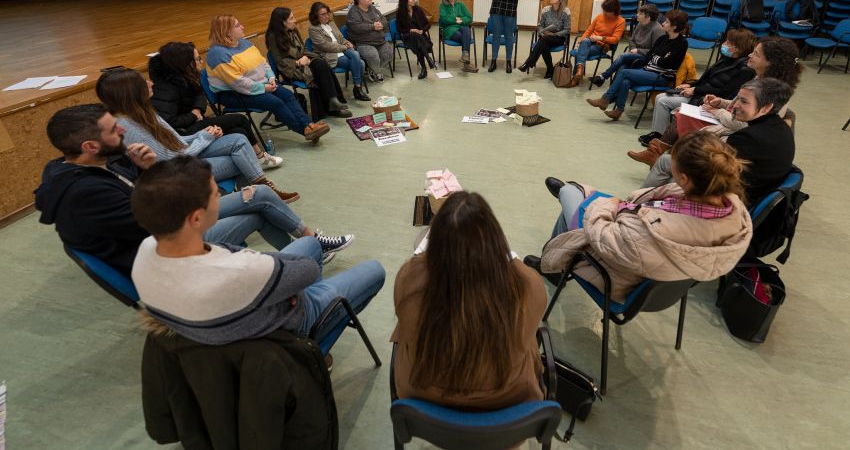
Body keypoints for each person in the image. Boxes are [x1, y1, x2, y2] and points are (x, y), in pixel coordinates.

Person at [34, 104, 353, 276]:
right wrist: (197, 197)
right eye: (113, 129)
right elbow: (155, 224)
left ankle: (310, 257)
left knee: (260, 196)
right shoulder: (85, 193)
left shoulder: (88, 167)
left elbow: (142, 207)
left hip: (162, 235)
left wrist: (145, 173)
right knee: (258, 200)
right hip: (166, 256)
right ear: (90, 146)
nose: (122, 129)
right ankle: (309, 258)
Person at [130, 155, 385, 349]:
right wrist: (284, 284)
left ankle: (300, 278)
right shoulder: (242, 269)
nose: (220, 192)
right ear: (196, 218)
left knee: (311, 245)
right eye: (214, 192)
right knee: (374, 270)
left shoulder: (146, 251)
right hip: (283, 331)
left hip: (230, 329)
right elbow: (306, 272)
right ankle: (312, 347)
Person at [531, 131, 753, 303]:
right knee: (577, 194)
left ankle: (552, 265)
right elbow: (648, 201)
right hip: (658, 267)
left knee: (570, 193)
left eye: (671, 162)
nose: (667, 163)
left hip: (620, 275)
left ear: (684, 179)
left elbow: (602, 234)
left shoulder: (656, 230)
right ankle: (554, 254)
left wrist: (608, 206)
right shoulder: (729, 208)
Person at [392, 191, 547, 409]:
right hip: (508, 405)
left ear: (435, 246)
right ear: (495, 241)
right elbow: (514, 266)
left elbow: (419, 264)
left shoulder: (407, 280)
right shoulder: (530, 286)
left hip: (424, 405)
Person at [96, 67, 299, 203]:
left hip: (184, 156)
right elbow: (168, 159)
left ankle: (253, 195)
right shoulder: (126, 124)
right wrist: (205, 138)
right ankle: (256, 196)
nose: (150, 83)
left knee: (238, 139)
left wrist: (202, 133)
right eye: (144, 82)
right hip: (175, 172)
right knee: (240, 159)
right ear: (131, 91)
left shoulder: (144, 110)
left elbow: (176, 140)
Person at [632, 36, 803, 165]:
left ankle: (661, 155)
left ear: (771, 62)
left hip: (736, 133)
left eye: (756, 54)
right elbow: (739, 105)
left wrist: (717, 111)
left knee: (681, 115)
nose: (750, 55)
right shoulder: (760, 79)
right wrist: (720, 102)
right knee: (681, 113)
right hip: (730, 120)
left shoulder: (771, 90)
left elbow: (744, 125)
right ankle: (657, 152)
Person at [642, 78, 795, 205]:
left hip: (733, 200)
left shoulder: (746, 138)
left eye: (743, 101)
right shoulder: (783, 128)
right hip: (755, 193)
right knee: (668, 164)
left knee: (667, 166)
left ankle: (636, 207)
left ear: (766, 107)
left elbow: (716, 178)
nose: (735, 106)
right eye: (737, 100)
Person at [149, 41, 283, 169]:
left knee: (239, 132)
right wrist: (193, 116)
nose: (200, 62)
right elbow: (168, 123)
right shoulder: (165, 88)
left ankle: (254, 161)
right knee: (240, 119)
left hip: (194, 121)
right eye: (197, 59)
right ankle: (260, 158)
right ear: (185, 63)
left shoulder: (185, 76)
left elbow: (200, 95)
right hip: (184, 132)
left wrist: (196, 109)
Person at [205, 14, 329, 143]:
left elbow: (263, 63)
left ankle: (309, 125)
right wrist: (263, 88)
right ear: (226, 32)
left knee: (287, 95)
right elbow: (238, 82)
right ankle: (305, 130)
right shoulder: (217, 54)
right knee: (275, 102)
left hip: (259, 84)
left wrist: (271, 78)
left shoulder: (244, 43)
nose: (242, 27)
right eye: (237, 25)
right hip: (233, 94)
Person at [630, 28, 757, 153]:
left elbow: (724, 92)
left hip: (707, 100)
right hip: (700, 93)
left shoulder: (744, 70)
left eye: (729, 43)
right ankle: (658, 134)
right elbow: (707, 79)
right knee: (661, 98)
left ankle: (661, 138)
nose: (724, 45)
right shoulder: (726, 59)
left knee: (663, 100)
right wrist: (690, 85)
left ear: (739, 48)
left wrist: (695, 90)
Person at [586, 9, 689, 120]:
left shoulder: (681, 43)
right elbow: (650, 55)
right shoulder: (663, 39)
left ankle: (605, 99)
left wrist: (656, 58)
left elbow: (667, 63)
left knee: (625, 72)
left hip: (662, 77)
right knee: (625, 80)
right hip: (649, 70)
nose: (663, 23)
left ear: (674, 26)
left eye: (667, 22)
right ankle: (618, 110)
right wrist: (659, 58)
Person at [266, 6, 352, 119]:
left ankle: (333, 101)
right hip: (291, 69)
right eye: (291, 18)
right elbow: (280, 61)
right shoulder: (273, 37)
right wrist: (298, 62)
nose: (295, 20)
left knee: (322, 64)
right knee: (318, 73)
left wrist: (307, 57)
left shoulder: (293, 31)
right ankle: (330, 108)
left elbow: (302, 49)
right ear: (282, 22)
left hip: (303, 60)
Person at [307, 1, 370, 101]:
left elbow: (341, 38)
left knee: (355, 54)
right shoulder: (313, 29)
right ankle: (357, 89)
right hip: (330, 55)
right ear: (315, 16)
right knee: (361, 63)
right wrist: (344, 47)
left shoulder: (331, 23)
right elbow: (326, 46)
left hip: (342, 49)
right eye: (323, 14)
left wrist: (347, 42)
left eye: (327, 13)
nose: (326, 16)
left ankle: (357, 88)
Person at [590, 4, 664, 87]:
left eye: (640, 14)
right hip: (635, 54)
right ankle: (613, 89)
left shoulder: (658, 30)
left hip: (646, 57)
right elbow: (631, 39)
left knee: (623, 56)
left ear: (648, 17)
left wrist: (638, 51)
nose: (637, 15)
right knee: (623, 65)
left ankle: (603, 76)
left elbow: (656, 51)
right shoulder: (640, 24)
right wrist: (633, 49)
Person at [568, 0, 626, 87]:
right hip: (589, 42)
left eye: (607, 11)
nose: (604, 13)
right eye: (604, 10)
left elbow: (615, 39)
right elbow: (589, 30)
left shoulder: (621, 21)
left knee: (580, 51)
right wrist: (580, 41)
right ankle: (579, 71)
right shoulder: (600, 16)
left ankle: (578, 72)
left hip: (602, 46)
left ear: (614, 11)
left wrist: (600, 38)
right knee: (585, 41)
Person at [518, 0, 571, 79]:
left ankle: (528, 64)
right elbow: (540, 26)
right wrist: (542, 32)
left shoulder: (566, 12)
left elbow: (567, 30)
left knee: (543, 41)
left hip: (558, 38)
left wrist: (554, 34)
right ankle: (550, 69)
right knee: (544, 43)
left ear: (561, 0)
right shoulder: (545, 10)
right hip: (545, 36)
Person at [345, 0, 393, 82]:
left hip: (380, 40)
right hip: (363, 43)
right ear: (359, 0)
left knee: (389, 54)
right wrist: (373, 26)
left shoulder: (372, 8)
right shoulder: (353, 12)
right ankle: (376, 72)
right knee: (373, 56)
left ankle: (372, 69)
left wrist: (381, 25)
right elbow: (356, 27)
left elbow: (383, 18)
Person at [396, 0, 436, 80]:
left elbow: (427, 24)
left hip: (420, 37)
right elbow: (399, 30)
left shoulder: (418, 9)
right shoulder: (400, 13)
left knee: (418, 42)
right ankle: (428, 59)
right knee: (415, 37)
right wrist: (411, 30)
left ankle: (424, 68)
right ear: (404, 0)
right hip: (408, 36)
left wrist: (422, 30)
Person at [438, 0, 478, 73]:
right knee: (466, 36)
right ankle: (466, 65)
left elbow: (469, 17)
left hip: (462, 27)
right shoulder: (442, 6)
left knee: (466, 29)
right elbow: (443, 19)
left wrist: (462, 20)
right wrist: (455, 20)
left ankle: (465, 56)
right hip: (449, 30)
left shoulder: (461, 5)